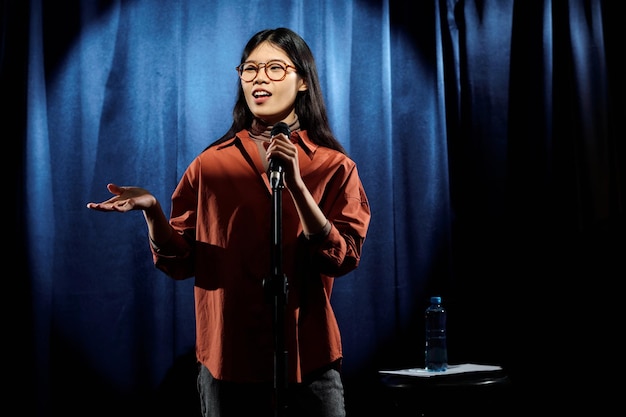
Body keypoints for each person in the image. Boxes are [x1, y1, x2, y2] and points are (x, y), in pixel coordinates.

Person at [87, 27, 370, 417]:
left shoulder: (334, 166)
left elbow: (342, 258)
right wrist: (152, 211)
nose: (259, 79)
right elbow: (181, 261)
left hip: (309, 361)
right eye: (250, 69)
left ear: (303, 80)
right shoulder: (211, 164)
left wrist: (298, 187)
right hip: (228, 362)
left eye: (274, 68)